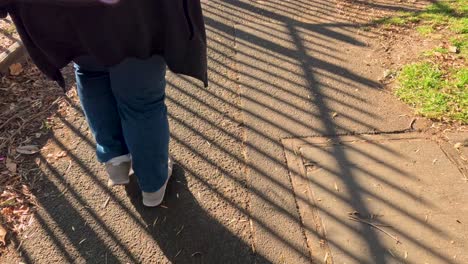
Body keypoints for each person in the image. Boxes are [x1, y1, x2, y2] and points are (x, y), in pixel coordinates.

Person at [0, 0, 208, 206]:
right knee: (142, 100)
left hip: (60, 14)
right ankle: (153, 183)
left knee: (90, 71)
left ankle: (115, 159)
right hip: (135, 14)